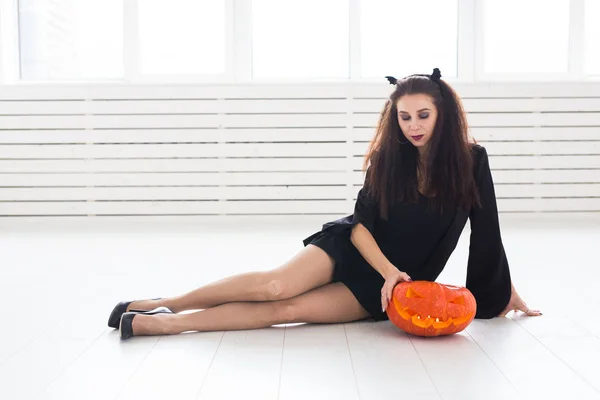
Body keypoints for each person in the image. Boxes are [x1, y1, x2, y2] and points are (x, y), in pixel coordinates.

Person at [109, 68, 542, 340]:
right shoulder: (387, 158)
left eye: (422, 116)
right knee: (275, 285)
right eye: (403, 117)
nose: (412, 126)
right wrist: (389, 271)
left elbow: (488, 230)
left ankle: (163, 324)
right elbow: (360, 225)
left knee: (286, 311)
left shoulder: (471, 160)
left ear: (442, 113)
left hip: (393, 284)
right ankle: (166, 301)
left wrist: (503, 291)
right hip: (359, 250)